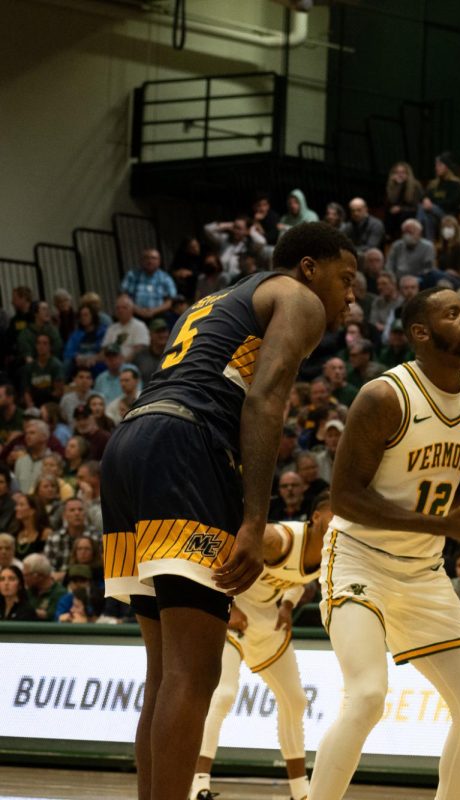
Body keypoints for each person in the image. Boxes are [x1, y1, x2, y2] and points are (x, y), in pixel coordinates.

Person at [100, 222, 356, 800]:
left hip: (129, 446)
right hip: (186, 448)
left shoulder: (223, 298)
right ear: (309, 268)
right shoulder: (298, 298)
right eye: (347, 279)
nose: (351, 296)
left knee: (165, 675)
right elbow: (264, 400)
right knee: (196, 673)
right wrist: (251, 519)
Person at [309, 288, 460, 799]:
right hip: (358, 559)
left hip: (422, 571)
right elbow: (345, 499)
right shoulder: (384, 397)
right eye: (452, 314)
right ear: (420, 333)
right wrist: (443, 527)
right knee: (368, 696)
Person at [191, 496, 332, 800]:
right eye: (337, 514)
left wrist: (288, 605)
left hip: (268, 620)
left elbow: (298, 577)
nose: (344, 520)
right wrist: (227, 606)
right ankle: (198, 784)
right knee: (224, 694)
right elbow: (218, 547)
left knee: (294, 700)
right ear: (317, 516)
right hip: (234, 610)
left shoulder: (333, 551)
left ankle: (300, 791)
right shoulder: (278, 539)